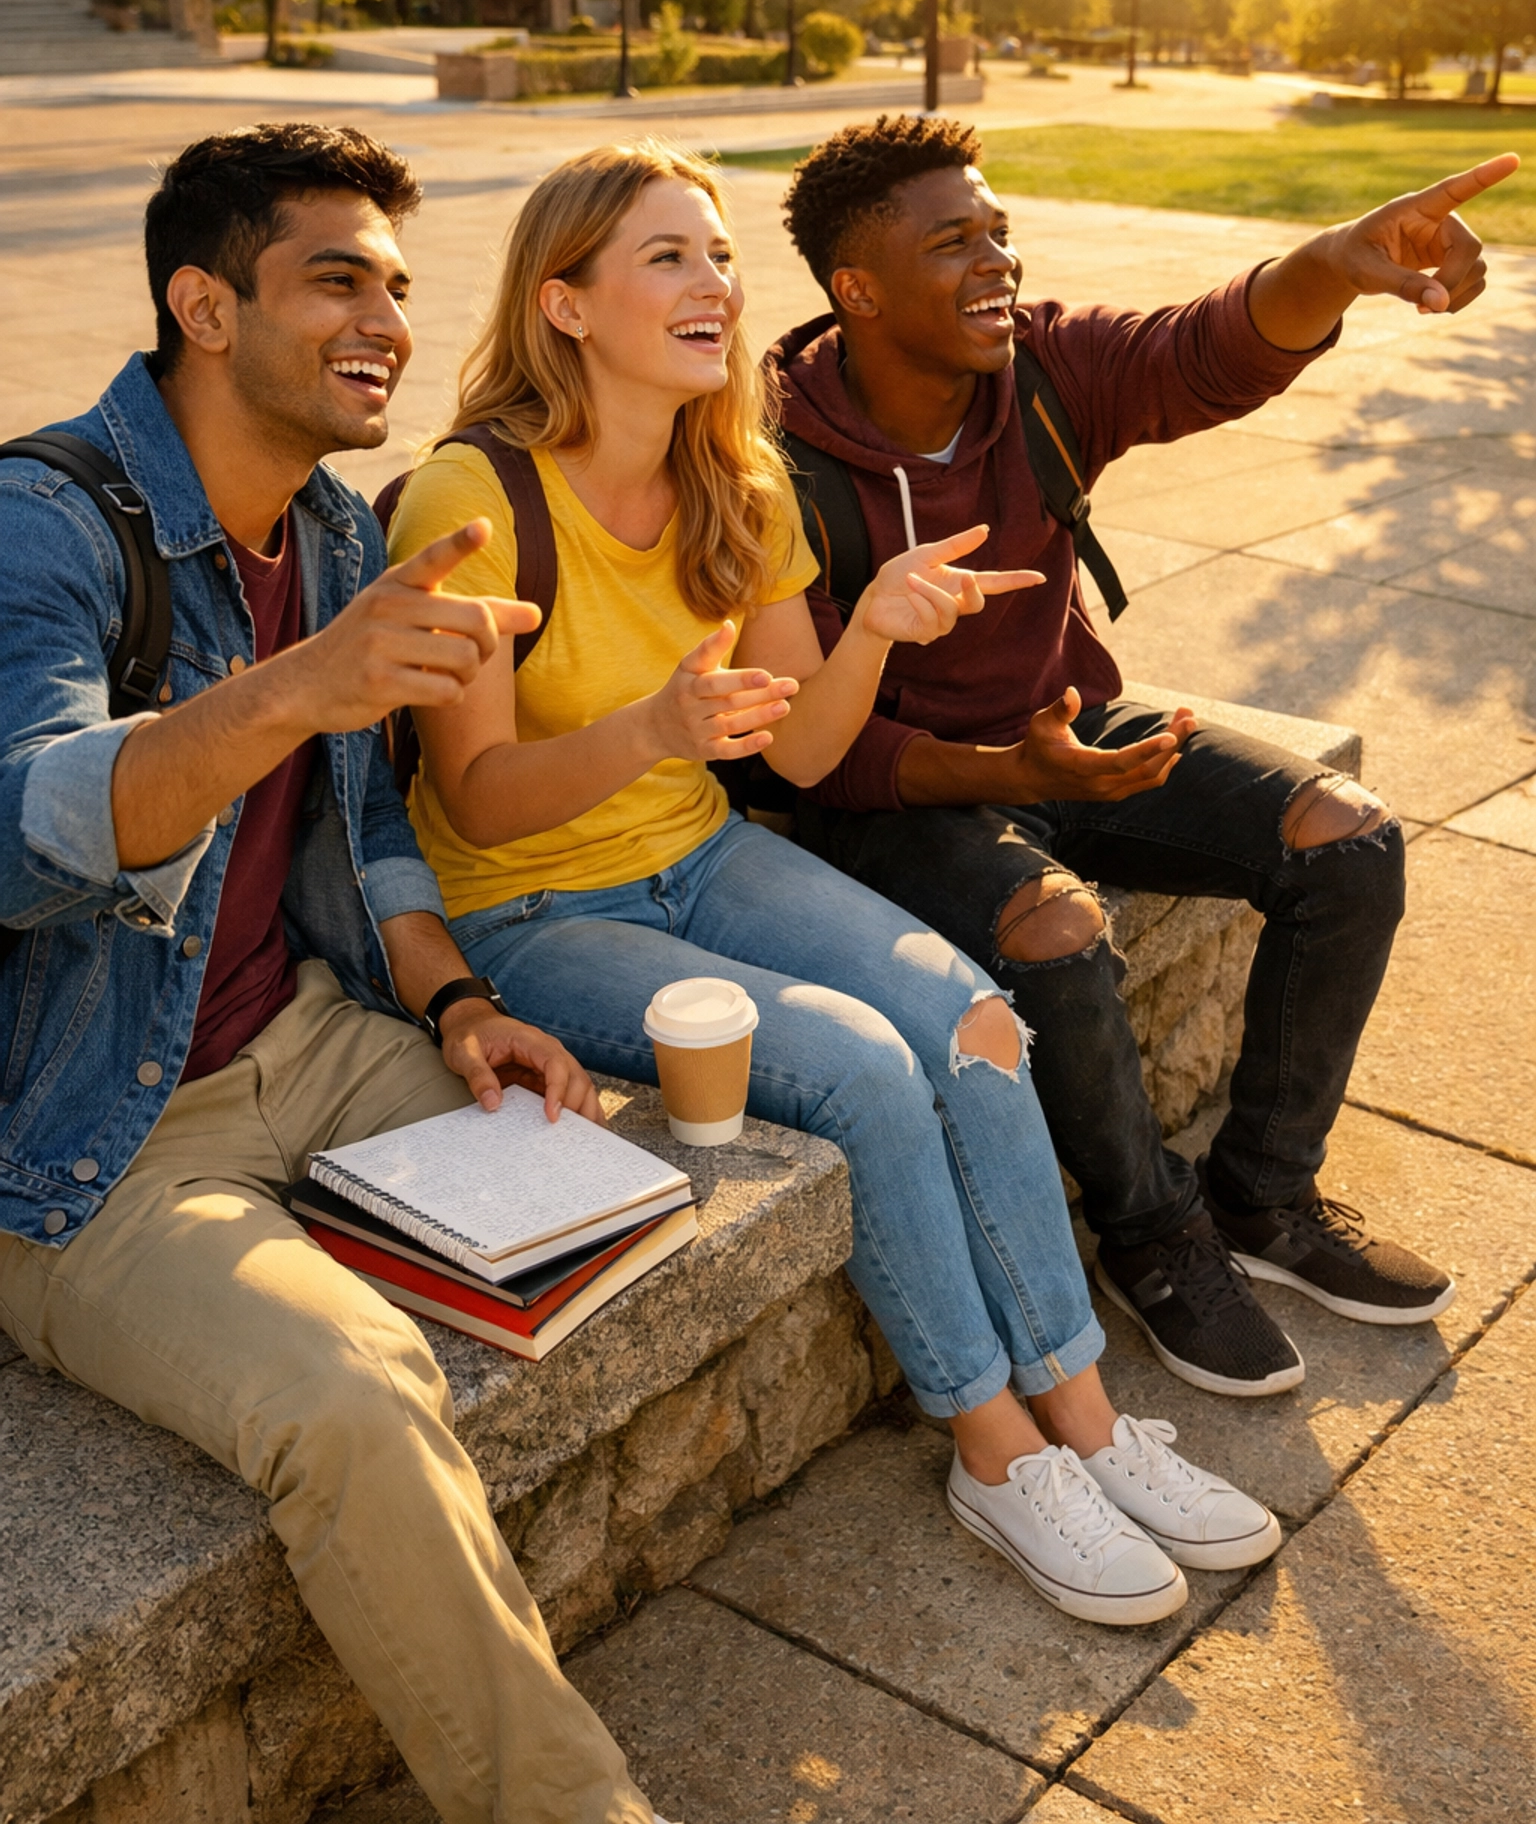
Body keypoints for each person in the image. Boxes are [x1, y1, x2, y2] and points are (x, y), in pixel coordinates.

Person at [385, 136, 1283, 1630]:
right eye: (667, 256)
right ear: (564, 303)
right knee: (868, 1070)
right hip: (532, 912)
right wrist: (652, 729)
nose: (714, 284)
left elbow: (803, 753)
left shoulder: (737, 471)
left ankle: (1092, 1421)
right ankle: (993, 1458)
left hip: (701, 853)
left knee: (980, 1019)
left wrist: (867, 625)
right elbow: (475, 795)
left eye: (721, 254)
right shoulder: (471, 495)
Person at [0, 123, 677, 1824]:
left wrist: (456, 1007)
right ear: (201, 306)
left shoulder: (335, 529)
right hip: (94, 1130)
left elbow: (367, 838)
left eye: (395, 280)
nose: (384, 314)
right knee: (355, 1390)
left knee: (620, 1171)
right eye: (334, 277)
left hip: (308, 1037)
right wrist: (290, 687)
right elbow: (23, 831)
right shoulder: (41, 521)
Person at [770, 112, 1516, 1399]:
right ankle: (1154, 1239)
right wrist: (1019, 778)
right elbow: (821, 755)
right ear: (857, 289)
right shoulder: (772, 457)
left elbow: (1207, 347)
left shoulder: (1045, 367)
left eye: (999, 229)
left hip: (1068, 726)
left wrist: (1339, 258)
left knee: (1349, 838)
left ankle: (1262, 1204)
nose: (996, 259)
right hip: (897, 787)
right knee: (1055, 931)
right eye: (953, 241)